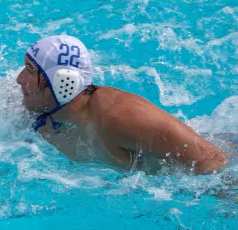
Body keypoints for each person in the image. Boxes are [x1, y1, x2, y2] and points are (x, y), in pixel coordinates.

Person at [16, 35, 228, 174]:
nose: (19, 78)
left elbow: (213, 162)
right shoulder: (44, 110)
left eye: (30, 70)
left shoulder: (121, 117)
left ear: (63, 81)